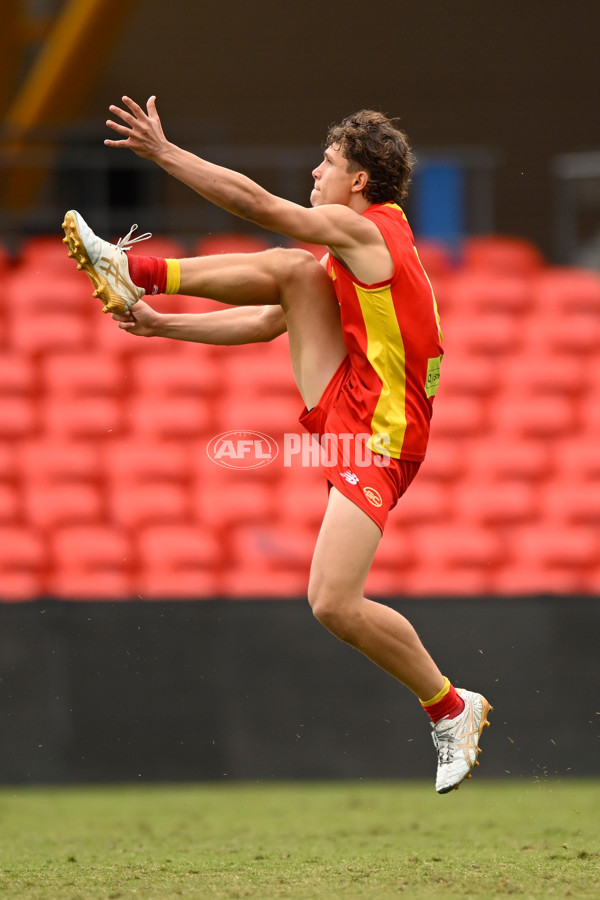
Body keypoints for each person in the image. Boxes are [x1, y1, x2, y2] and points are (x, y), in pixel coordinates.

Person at [62, 97, 492, 793]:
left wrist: (165, 155)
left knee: (332, 602)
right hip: (352, 403)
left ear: (358, 181)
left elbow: (262, 207)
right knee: (295, 274)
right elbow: (270, 320)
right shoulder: (370, 235)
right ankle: (134, 274)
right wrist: (163, 326)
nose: (316, 171)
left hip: (381, 439)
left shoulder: (366, 234)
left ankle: (451, 708)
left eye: (328, 162)